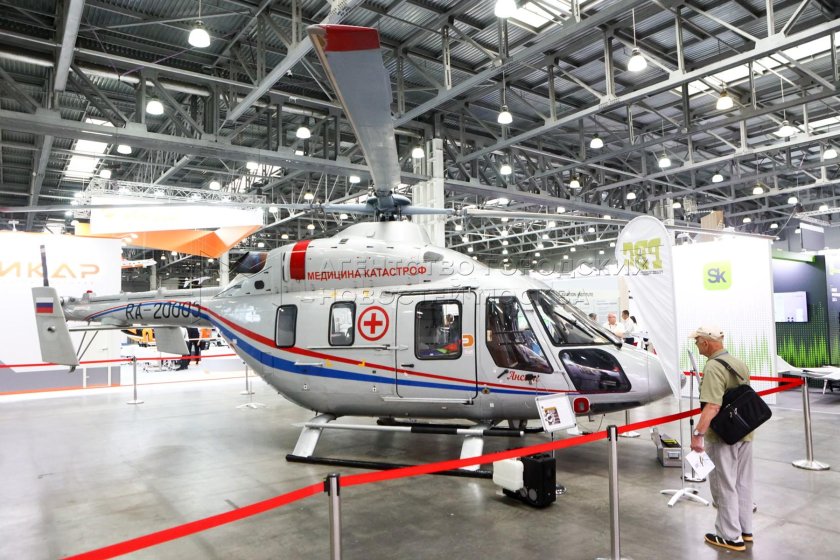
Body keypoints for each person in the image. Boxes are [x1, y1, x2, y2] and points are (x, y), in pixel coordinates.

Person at [689, 325, 753, 552]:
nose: (696, 345)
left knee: (723, 484)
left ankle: (729, 536)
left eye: (697, 341)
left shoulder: (713, 367)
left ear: (705, 342)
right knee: (742, 482)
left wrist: (698, 435)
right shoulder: (738, 363)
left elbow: (713, 406)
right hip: (744, 431)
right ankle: (745, 530)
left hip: (722, 435)